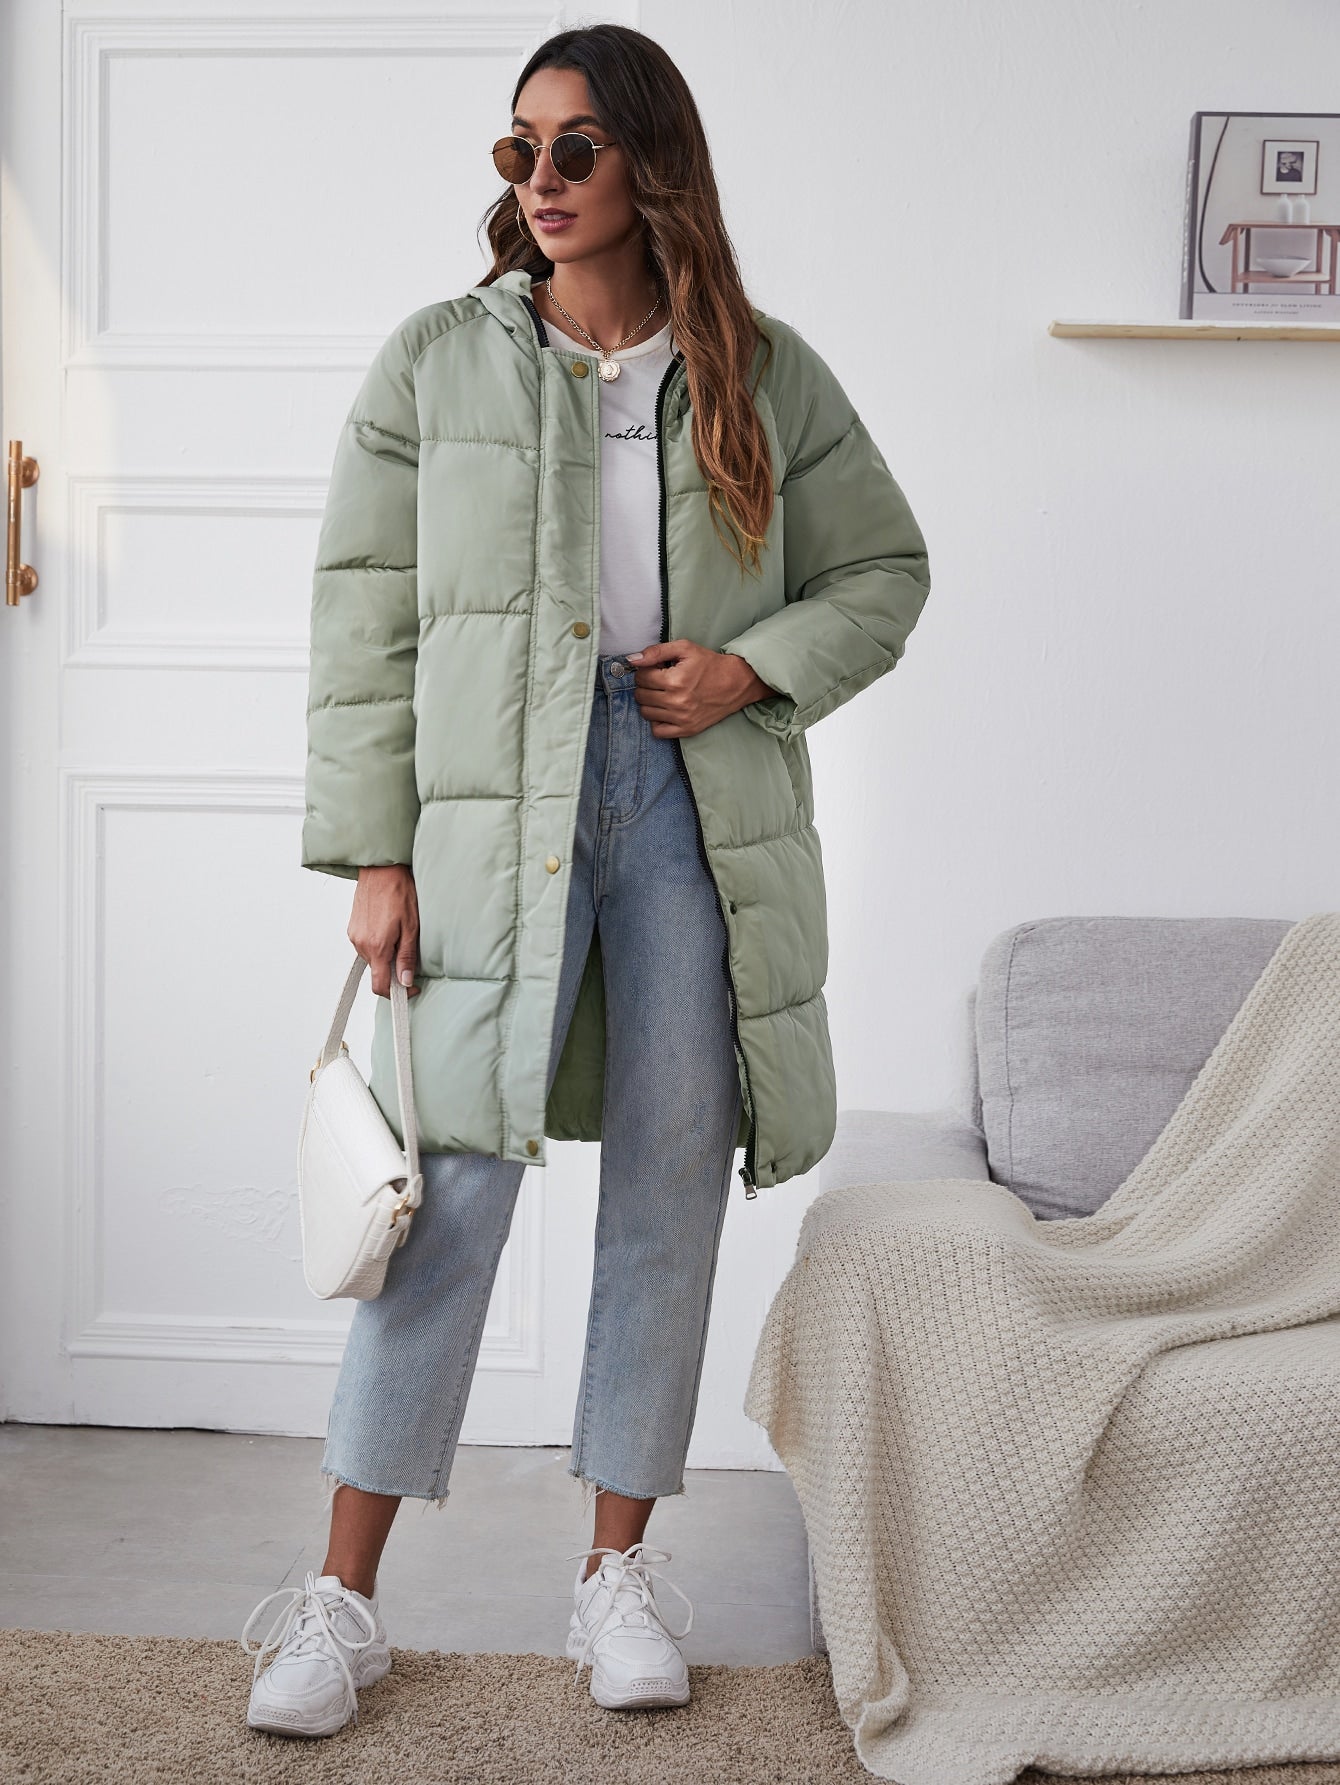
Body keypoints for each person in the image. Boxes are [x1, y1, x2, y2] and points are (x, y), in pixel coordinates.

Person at [241, 20, 931, 1739]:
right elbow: (360, 626)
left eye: (575, 149)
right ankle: (341, 1600)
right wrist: (376, 850)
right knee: (449, 1187)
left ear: (651, 164)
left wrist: (751, 668)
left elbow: (885, 569)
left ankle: (615, 1572)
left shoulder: (759, 370)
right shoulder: (435, 364)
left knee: (670, 1183)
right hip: (493, 814)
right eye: (518, 150)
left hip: (691, 807)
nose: (539, 181)